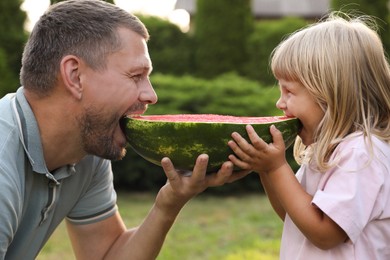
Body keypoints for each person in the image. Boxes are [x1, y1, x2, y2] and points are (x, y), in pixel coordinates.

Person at [0, 0, 250, 259]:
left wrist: (169, 203)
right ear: (75, 76)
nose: (151, 95)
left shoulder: (85, 152)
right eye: (136, 76)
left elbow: (106, 255)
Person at [228, 12, 390, 259]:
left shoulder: (361, 155)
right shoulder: (325, 153)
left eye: (289, 91)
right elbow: (293, 216)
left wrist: (276, 169)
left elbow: (325, 234)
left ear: (331, 95)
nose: (279, 103)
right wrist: (264, 170)